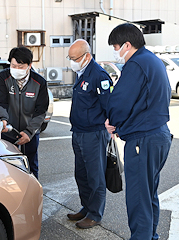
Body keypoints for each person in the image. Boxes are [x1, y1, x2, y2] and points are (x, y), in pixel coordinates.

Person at [106, 23, 172, 240]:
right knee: (148, 194)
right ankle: (150, 236)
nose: (116, 52)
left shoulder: (135, 64)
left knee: (138, 197)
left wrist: (113, 121)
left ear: (127, 44)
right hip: (158, 134)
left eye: (116, 46)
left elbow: (120, 100)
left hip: (143, 139)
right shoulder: (153, 61)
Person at [66, 39, 112, 229]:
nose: (72, 62)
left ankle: (95, 214)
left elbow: (109, 105)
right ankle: (86, 207)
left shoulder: (99, 75)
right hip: (78, 132)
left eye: (75, 58)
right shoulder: (81, 72)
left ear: (87, 56)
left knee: (95, 177)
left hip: (93, 134)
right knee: (81, 175)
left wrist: (110, 125)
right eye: (69, 58)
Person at [0, 46, 49, 179]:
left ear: (29, 65)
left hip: (30, 132)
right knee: (8, 166)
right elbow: (0, 102)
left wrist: (29, 132)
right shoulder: (3, 78)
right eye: (13, 65)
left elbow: (41, 110)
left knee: (30, 165)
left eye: (20, 66)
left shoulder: (39, 82)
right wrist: (3, 119)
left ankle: (33, 196)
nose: (16, 69)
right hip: (8, 131)